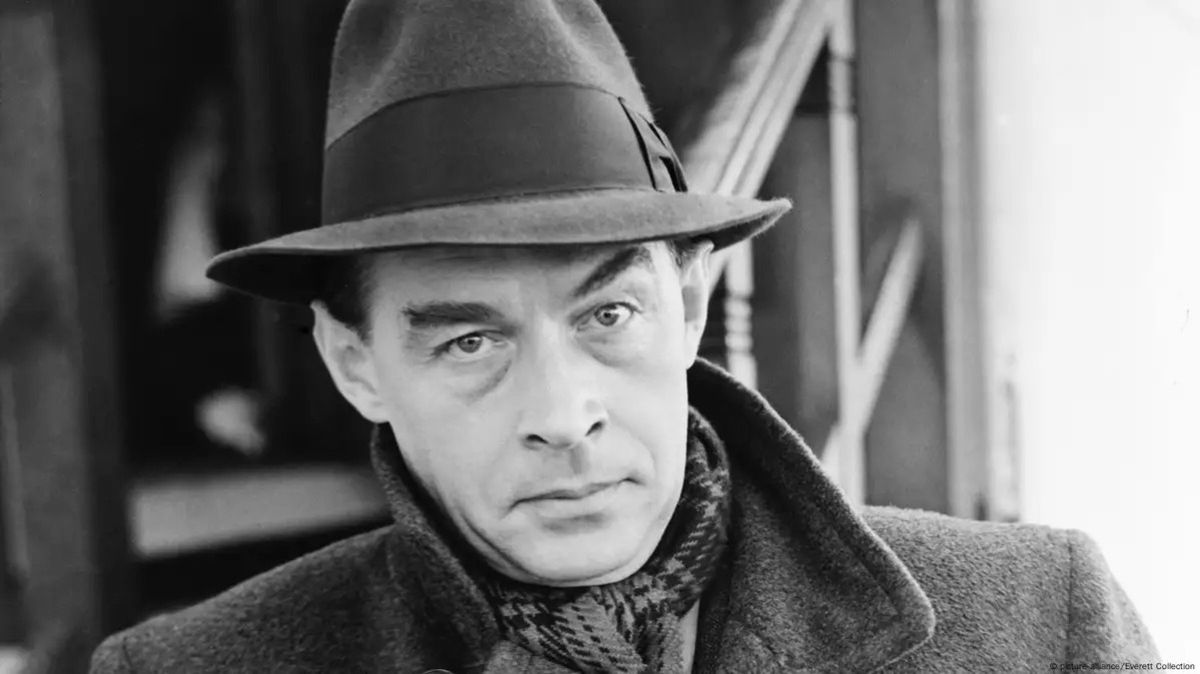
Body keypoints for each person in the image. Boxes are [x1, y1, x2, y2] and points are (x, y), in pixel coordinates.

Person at [91, 0, 1158, 671]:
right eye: (470, 343)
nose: (563, 417)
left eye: (607, 315)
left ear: (687, 306)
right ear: (354, 362)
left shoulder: (1039, 623)